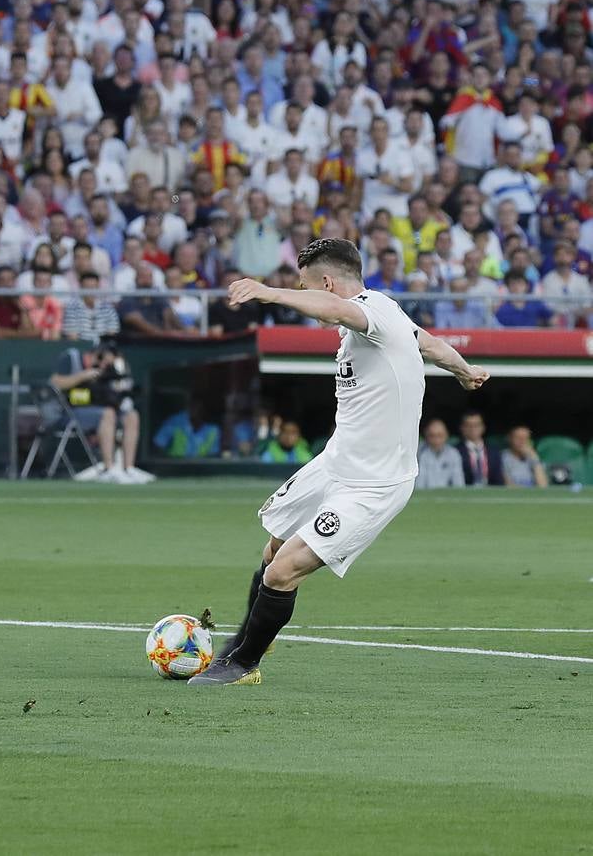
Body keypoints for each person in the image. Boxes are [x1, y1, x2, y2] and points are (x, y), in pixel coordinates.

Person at [190, 238, 488, 686]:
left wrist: (268, 292)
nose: (304, 292)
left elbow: (335, 310)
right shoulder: (390, 319)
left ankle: (243, 664)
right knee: (272, 549)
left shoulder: (369, 310)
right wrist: (466, 371)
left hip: (375, 484)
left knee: (283, 569)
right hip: (335, 463)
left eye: (307, 285)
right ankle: (251, 639)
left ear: (326, 283)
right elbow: (432, 345)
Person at [49, 341, 151, 484]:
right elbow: (55, 382)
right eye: (103, 362)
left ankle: (128, 468)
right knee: (107, 413)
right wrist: (83, 376)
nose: (104, 366)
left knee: (131, 416)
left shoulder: (107, 371)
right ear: (95, 355)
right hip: (70, 413)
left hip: (98, 409)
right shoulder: (72, 357)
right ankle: (108, 469)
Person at [152, 401, 221, 458]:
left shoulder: (213, 431)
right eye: (194, 407)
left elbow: (213, 456)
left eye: (200, 409)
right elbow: (158, 445)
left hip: (202, 471)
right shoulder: (175, 422)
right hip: (175, 469)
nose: (196, 411)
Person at [457, 410, 504, 487]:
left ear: (483, 427)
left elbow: (499, 480)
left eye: (476, 425)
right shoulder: (455, 452)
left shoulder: (494, 452)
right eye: (468, 425)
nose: (473, 428)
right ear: (462, 428)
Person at [415, 418, 465, 489]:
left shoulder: (454, 454)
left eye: (440, 435)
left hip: (449, 497)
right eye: (432, 436)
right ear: (426, 436)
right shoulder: (418, 453)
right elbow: (418, 486)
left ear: (446, 435)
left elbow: (459, 484)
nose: (436, 440)